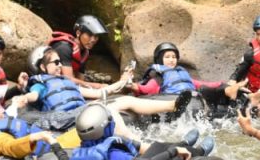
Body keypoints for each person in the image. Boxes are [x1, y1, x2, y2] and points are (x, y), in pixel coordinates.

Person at [10, 46, 190, 133]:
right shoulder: (41, 83)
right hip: (63, 118)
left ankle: (173, 106)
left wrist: (122, 81)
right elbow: (34, 95)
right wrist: (24, 99)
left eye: (60, 62)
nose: (60, 65)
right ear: (42, 67)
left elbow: (99, 94)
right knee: (109, 109)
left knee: (124, 100)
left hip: (78, 112)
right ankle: (136, 144)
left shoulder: (67, 83)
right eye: (55, 62)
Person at [67, 104, 214, 160]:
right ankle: (199, 150)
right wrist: (174, 151)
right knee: (177, 155)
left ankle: (184, 142)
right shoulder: (114, 156)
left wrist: (53, 144)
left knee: (156, 146)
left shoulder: (85, 149)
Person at [130, 42, 260, 113]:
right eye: (167, 57)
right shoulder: (158, 78)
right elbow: (144, 89)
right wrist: (131, 85)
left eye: (174, 57)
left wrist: (223, 83)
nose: (171, 60)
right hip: (177, 102)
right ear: (159, 59)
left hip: (195, 99)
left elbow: (200, 83)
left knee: (209, 89)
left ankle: (248, 101)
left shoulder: (182, 73)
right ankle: (232, 93)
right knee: (205, 93)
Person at [0, 87, 78, 160]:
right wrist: (36, 136)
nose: (2, 110)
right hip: (51, 153)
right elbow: (12, 147)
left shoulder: (1, 125)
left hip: (54, 144)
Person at [47, 15, 109, 88]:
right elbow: (68, 80)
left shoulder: (84, 53)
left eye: (96, 36)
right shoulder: (64, 48)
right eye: (89, 35)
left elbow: (80, 81)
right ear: (78, 33)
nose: (93, 40)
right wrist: (98, 86)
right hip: (50, 85)